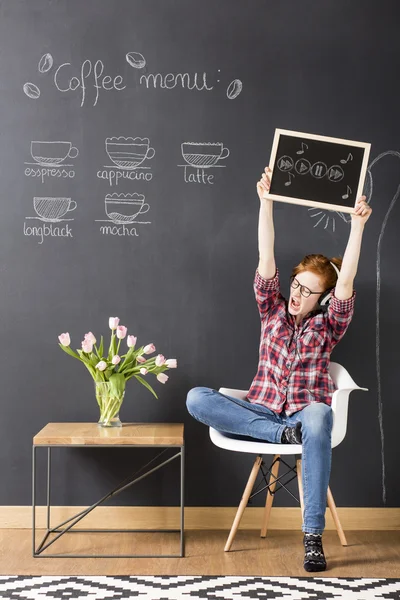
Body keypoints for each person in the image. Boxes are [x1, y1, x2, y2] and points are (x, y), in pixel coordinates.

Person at [186, 166, 372, 572]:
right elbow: (265, 255)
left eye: (308, 291)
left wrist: (357, 226)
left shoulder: (329, 324)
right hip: (262, 410)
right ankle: (277, 434)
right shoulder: (270, 310)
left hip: (305, 413)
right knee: (196, 397)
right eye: (296, 285)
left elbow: (348, 281)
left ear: (322, 299)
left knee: (321, 413)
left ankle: (312, 539)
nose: (298, 294)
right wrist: (265, 203)